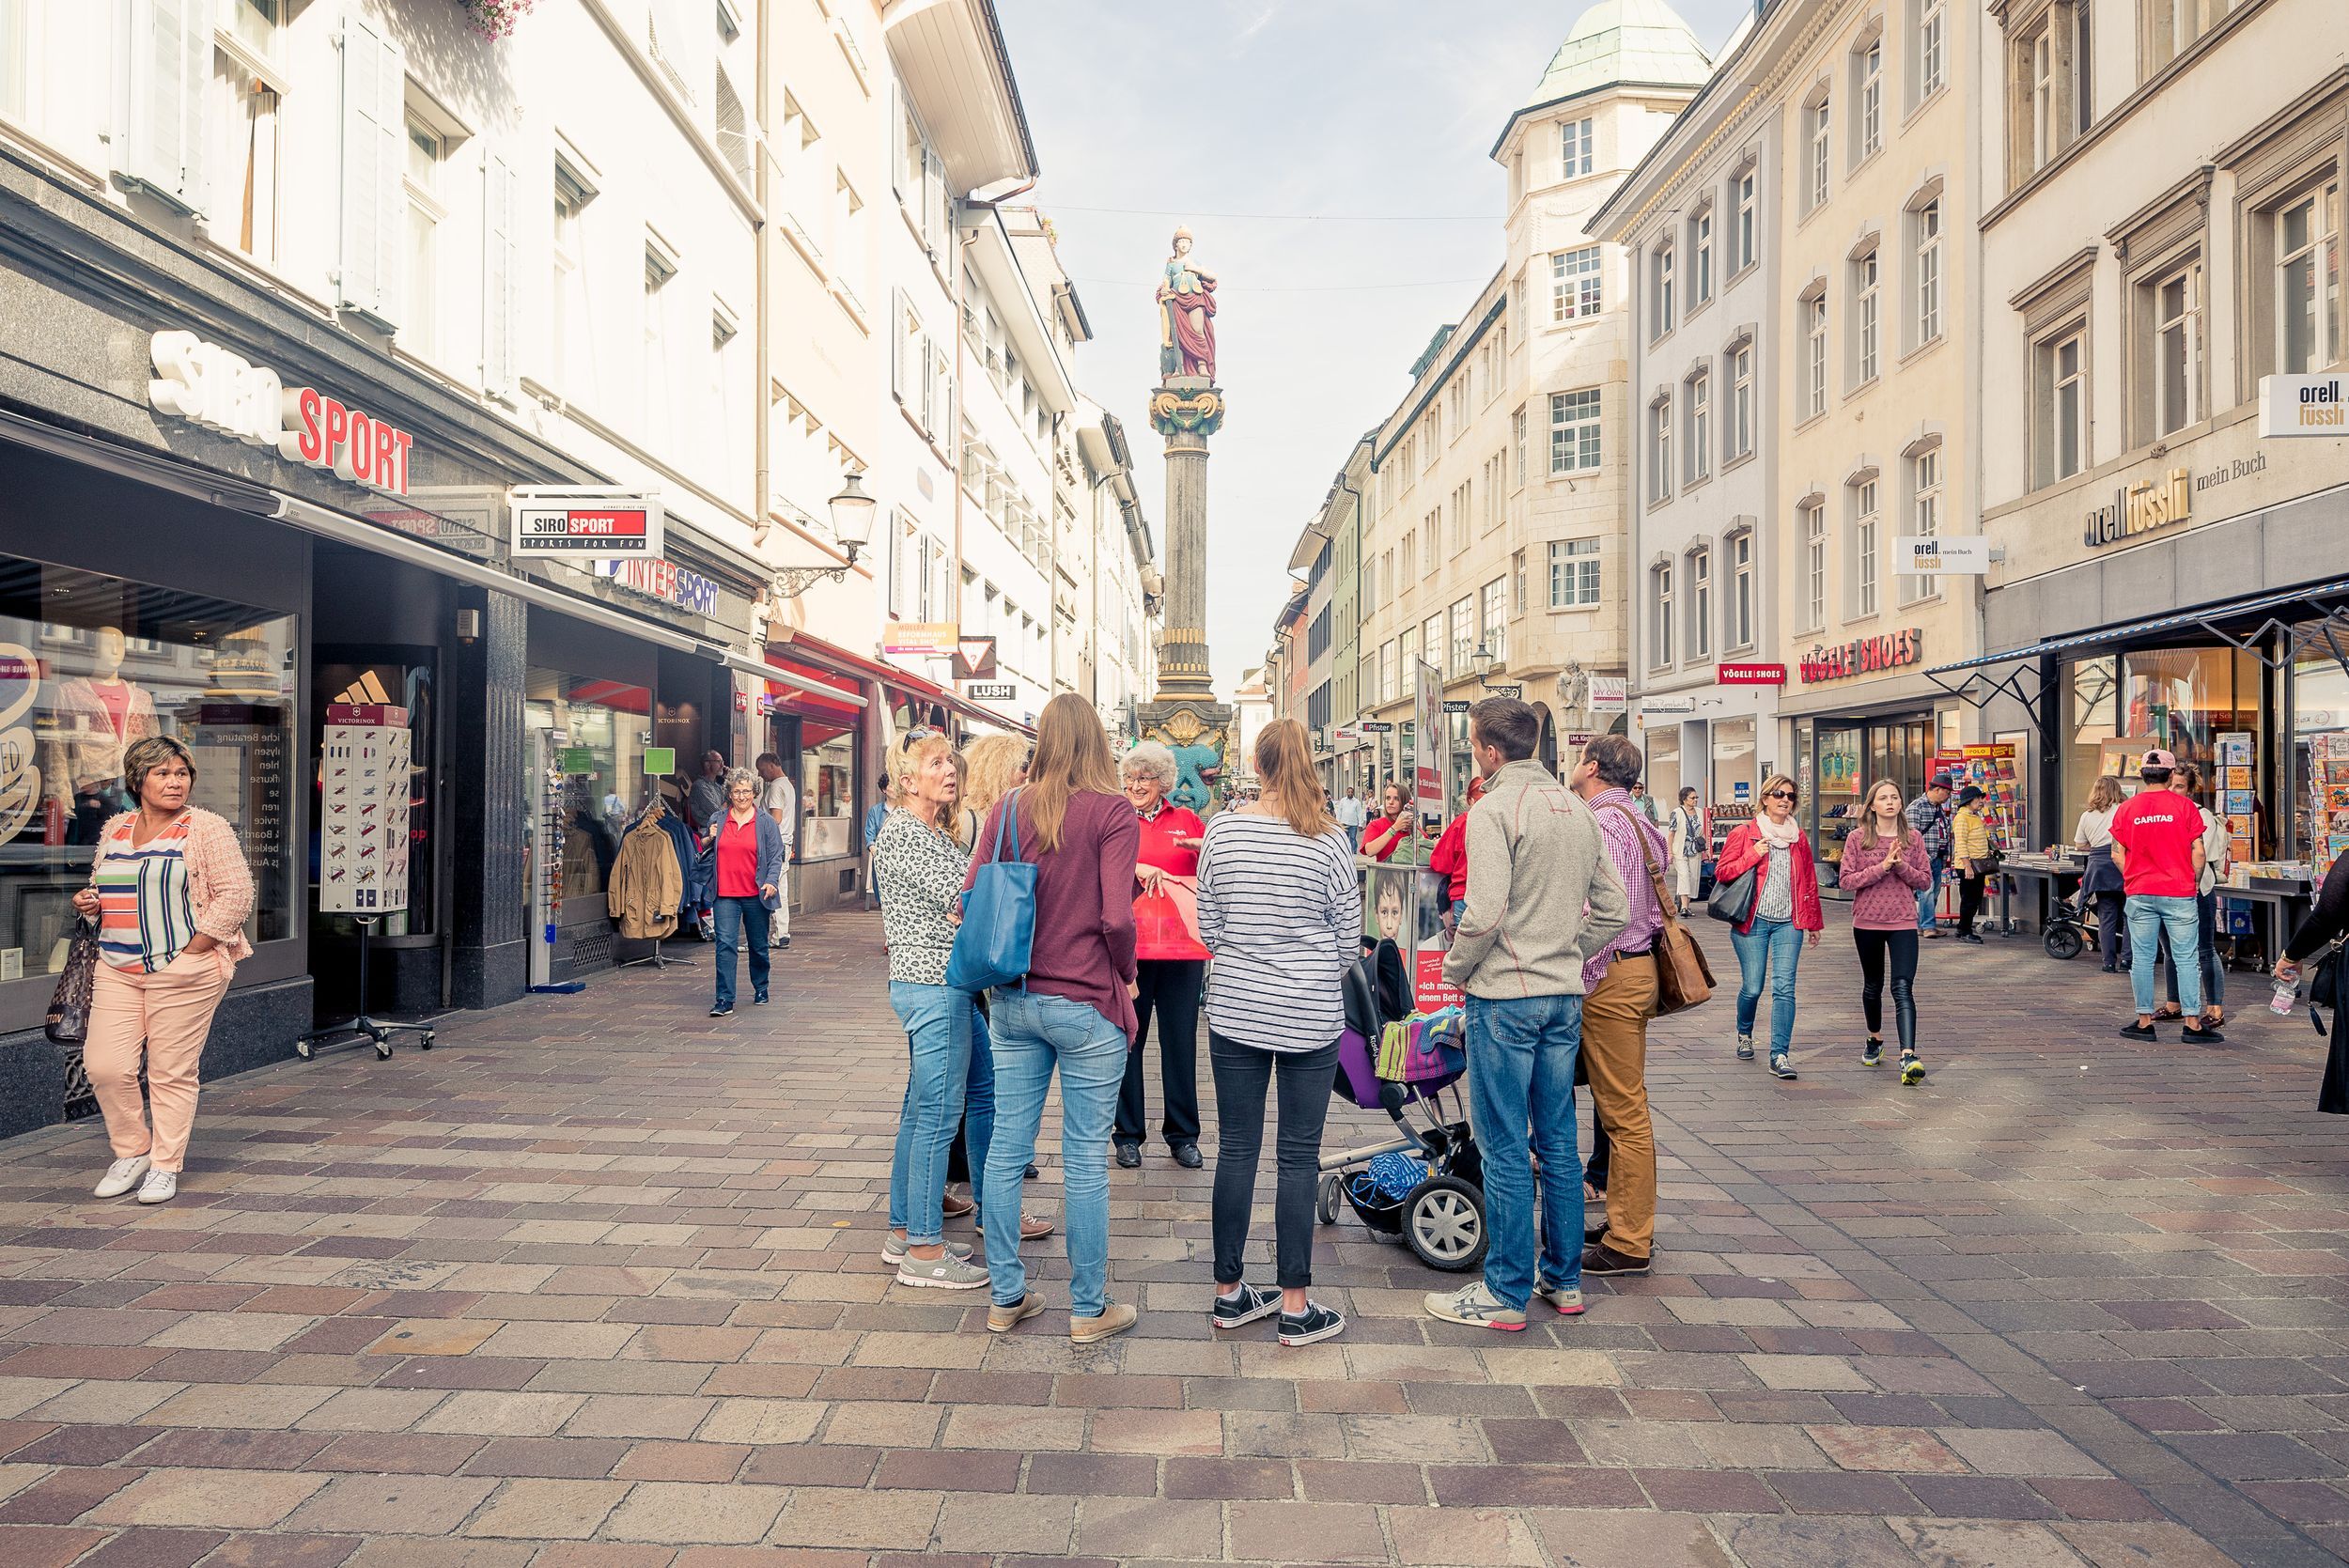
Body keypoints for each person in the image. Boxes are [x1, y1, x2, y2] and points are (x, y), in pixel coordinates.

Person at [1423, 698, 1628, 1332]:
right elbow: (1615, 909)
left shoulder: (1492, 808)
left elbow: (1481, 912)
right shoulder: (1576, 807)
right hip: (1563, 995)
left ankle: (1505, 1291)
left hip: (1506, 995)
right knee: (1559, 1143)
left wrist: (1453, 971)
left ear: (1489, 750)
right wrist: (1567, 951)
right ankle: (1563, 1280)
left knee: (1505, 1146)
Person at [969, 693, 1143, 1343]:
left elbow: (972, 895)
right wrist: (1125, 971)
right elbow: (1116, 916)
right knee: (1084, 1160)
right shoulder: (1112, 811)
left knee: (1007, 1151)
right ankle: (1088, 1307)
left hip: (1012, 1002)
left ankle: (1006, 1295)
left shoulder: (1007, 809)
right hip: (1085, 1002)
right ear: (1097, 742)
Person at [1196, 718, 1358, 1346]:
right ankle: (1295, 1304)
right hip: (1308, 1015)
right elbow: (1349, 937)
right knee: (1297, 1154)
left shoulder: (1224, 830)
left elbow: (1209, 923)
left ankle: (1230, 1293)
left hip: (1236, 1007)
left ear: (1257, 766)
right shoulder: (1328, 841)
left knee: (1237, 1147)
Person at [72, 736, 254, 1205]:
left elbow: (236, 893)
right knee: (106, 1066)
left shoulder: (205, 828)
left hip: (183, 968)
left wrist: (197, 949)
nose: (175, 782)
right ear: (138, 779)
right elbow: (104, 889)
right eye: (163, 773)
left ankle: (165, 1165)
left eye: (181, 773)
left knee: (170, 1071)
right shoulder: (116, 827)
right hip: (116, 966)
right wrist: (89, 904)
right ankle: (132, 1150)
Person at [870, 734, 990, 1289]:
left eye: (950, 760)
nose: (950, 769)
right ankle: (923, 1251)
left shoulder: (927, 831)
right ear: (907, 778)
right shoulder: (908, 835)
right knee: (936, 1119)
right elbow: (966, 903)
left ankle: (904, 1231)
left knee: (922, 1112)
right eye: (935, 763)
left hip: (938, 985)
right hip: (933, 985)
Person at [1566, 735, 1667, 1279]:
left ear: (1595, 767)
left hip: (1612, 975)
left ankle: (1629, 1239)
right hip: (1636, 971)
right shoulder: (1635, 815)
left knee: (1624, 1113)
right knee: (1618, 1106)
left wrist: (1576, 979)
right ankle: (1624, 1221)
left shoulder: (1602, 822)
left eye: (1578, 758)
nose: (1571, 765)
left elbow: (1608, 916)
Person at [1114, 740, 1208, 1171]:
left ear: (1163, 782)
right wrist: (1135, 867)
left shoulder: (1187, 819)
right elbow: (1101, 866)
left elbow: (1210, 878)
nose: (1135, 785)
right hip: (1130, 949)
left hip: (1181, 948)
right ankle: (1128, 1135)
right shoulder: (1115, 819)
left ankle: (1183, 1136)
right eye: (1130, 777)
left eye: (1144, 778)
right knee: (1128, 1041)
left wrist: (1201, 854)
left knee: (1180, 1041)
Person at [1715, 773, 1824, 1080]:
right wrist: (1753, 854)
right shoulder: (1745, 833)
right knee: (1753, 987)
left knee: (1784, 988)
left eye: (1790, 796)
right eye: (1778, 794)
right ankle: (1744, 1032)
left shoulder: (1798, 837)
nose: (1784, 800)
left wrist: (1813, 921)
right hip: (1753, 921)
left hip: (1789, 921)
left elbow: (1808, 881)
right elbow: (1722, 873)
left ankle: (1779, 1054)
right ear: (1765, 798)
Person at [2111, 749, 2222, 1044]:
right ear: (2171, 774)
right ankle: (2192, 1023)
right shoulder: (2185, 808)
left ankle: (2145, 1021)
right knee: (2187, 959)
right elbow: (2198, 852)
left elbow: (2116, 853)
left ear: (2142, 774)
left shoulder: (2127, 809)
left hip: (2141, 892)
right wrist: (2193, 882)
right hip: (2179, 892)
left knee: (2143, 960)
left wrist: (2133, 877)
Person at [1838, 779, 1933, 1085]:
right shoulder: (1857, 839)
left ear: (1901, 803)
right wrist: (1882, 866)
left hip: (1903, 921)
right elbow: (1846, 881)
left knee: (1902, 986)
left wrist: (1901, 865)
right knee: (1872, 986)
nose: (1890, 802)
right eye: (1883, 797)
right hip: (1867, 921)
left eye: (1895, 796)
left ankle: (1908, 1056)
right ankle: (1875, 1038)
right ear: (1872, 805)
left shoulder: (1913, 838)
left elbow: (1925, 882)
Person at [701, 767, 784, 1017]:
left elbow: (776, 856)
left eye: (747, 791)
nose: (742, 796)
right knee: (725, 944)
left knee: (758, 945)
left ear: (755, 792)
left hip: (755, 893)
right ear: (730, 792)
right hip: (725, 892)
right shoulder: (718, 818)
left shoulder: (766, 822)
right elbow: (706, 847)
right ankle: (724, 998)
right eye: (737, 791)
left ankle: (761, 986)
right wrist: (708, 838)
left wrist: (771, 881)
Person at [2157, 762, 2230, 1028]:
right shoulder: (2162, 814)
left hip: (2197, 888)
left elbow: (2200, 854)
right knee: (2169, 950)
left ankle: (2215, 1008)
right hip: (2164, 887)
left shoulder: (2202, 815)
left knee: (2204, 949)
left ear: (2190, 790)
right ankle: (2173, 1003)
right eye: (2170, 784)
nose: (2173, 790)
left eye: (2179, 786)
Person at [2073, 775, 2131, 973]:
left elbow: (2080, 844)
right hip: (2122, 864)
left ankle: (2108, 962)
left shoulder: (2087, 816)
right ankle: (2127, 960)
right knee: (2129, 915)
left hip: (2099, 867)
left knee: (2106, 916)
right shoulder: (2123, 810)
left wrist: (2096, 846)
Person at [1424, 775, 1486, 937]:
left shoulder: (1463, 822)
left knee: (1466, 953)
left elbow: (1439, 863)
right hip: (1493, 898)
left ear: (1470, 801)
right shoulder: (1502, 821)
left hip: (1464, 896)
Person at [754, 752, 797, 951]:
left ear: (772, 765)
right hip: (785, 842)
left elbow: (776, 818)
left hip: (774, 844)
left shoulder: (776, 787)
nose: (762, 775)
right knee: (781, 889)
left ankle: (769, 934)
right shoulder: (788, 785)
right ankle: (782, 933)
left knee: (768, 887)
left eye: (762, 770)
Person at [1906, 774, 1955, 937]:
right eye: (1947, 793)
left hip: (1938, 857)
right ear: (1938, 790)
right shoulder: (1917, 807)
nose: (1948, 796)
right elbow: (1912, 837)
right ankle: (1928, 927)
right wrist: (1920, 857)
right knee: (1926, 892)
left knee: (1934, 892)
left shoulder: (1938, 808)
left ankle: (1923, 924)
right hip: (1923, 858)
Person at [1950, 785, 1994, 944]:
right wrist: (1967, 865)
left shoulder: (1973, 816)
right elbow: (1960, 843)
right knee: (1969, 899)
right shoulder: (1962, 818)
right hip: (1969, 866)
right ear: (1970, 800)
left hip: (1978, 865)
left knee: (1974, 899)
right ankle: (1964, 931)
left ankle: (1963, 928)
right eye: (1979, 798)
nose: (1982, 801)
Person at [1667, 786, 1704, 915]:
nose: (1695, 800)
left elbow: (1704, 833)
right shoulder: (1676, 813)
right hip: (1680, 850)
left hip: (1695, 850)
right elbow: (1671, 834)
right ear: (1684, 799)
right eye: (1692, 798)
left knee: (1693, 877)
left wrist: (1707, 849)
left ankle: (1686, 906)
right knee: (1684, 875)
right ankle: (1683, 907)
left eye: (1696, 798)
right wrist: (1670, 852)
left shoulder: (1700, 812)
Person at [1361, 781, 1413, 862]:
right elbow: (1369, 851)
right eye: (1388, 798)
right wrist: (1394, 828)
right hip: (1385, 873)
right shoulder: (1376, 825)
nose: (1390, 802)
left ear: (1405, 802)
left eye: (1396, 799)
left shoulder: (1413, 827)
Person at [862, 777, 892, 911]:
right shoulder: (875, 811)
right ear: (884, 790)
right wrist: (872, 847)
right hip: (882, 852)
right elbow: (870, 833)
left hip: (901, 852)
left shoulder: (905, 809)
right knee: (878, 860)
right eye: (891, 785)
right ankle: (883, 900)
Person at [688, 750, 727, 834]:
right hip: (706, 831)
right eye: (719, 761)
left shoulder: (717, 785)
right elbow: (717, 813)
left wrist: (728, 779)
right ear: (707, 764)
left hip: (720, 828)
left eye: (722, 762)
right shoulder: (700, 786)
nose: (722, 765)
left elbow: (731, 806)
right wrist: (726, 804)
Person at [1334, 784, 1367, 849]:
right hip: (1344, 823)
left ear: (1353, 793)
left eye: (1351, 792)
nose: (1350, 793)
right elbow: (1339, 812)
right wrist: (1337, 822)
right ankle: (1345, 851)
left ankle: (1353, 852)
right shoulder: (1343, 801)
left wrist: (1360, 824)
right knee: (1344, 839)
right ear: (1347, 792)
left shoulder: (1357, 802)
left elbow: (1359, 813)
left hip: (1353, 824)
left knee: (1353, 839)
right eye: (1349, 792)